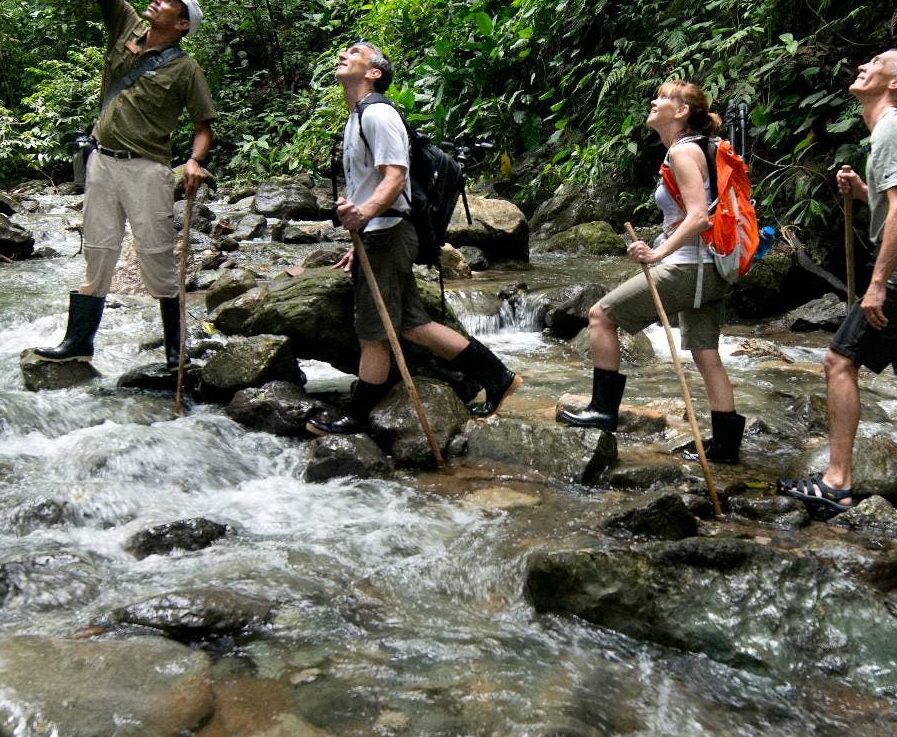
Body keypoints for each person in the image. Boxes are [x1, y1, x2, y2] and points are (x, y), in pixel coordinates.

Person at [32, 0, 216, 367]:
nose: (156, 1)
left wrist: (195, 162)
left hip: (149, 168)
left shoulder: (186, 68)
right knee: (98, 248)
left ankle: (177, 353)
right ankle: (78, 343)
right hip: (101, 161)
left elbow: (203, 127)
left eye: (167, 1)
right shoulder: (125, 25)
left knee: (157, 258)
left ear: (182, 24)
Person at [307, 43, 522, 436]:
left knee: (373, 332)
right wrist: (360, 239)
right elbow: (370, 184)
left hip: (388, 233)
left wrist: (366, 216)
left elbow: (395, 177)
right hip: (379, 235)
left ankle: (357, 417)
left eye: (355, 51)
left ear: (373, 73)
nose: (343, 52)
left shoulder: (378, 114)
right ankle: (498, 376)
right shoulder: (356, 117)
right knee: (409, 323)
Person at [779, 51, 897, 513]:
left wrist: (878, 283)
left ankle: (837, 481)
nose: (863, 63)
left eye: (876, 61)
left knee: (838, 363)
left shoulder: (896, 127)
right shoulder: (895, 129)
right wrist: (863, 192)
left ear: (896, 81)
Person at [555, 79, 744, 463]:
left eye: (663, 98)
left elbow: (698, 219)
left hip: (691, 267)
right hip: (715, 267)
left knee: (600, 316)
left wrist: (657, 253)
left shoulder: (682, 153)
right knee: (707, 352)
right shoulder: (700, 148)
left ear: (681, 112)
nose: (654, 102)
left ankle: (602, 410)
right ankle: (725, 445)